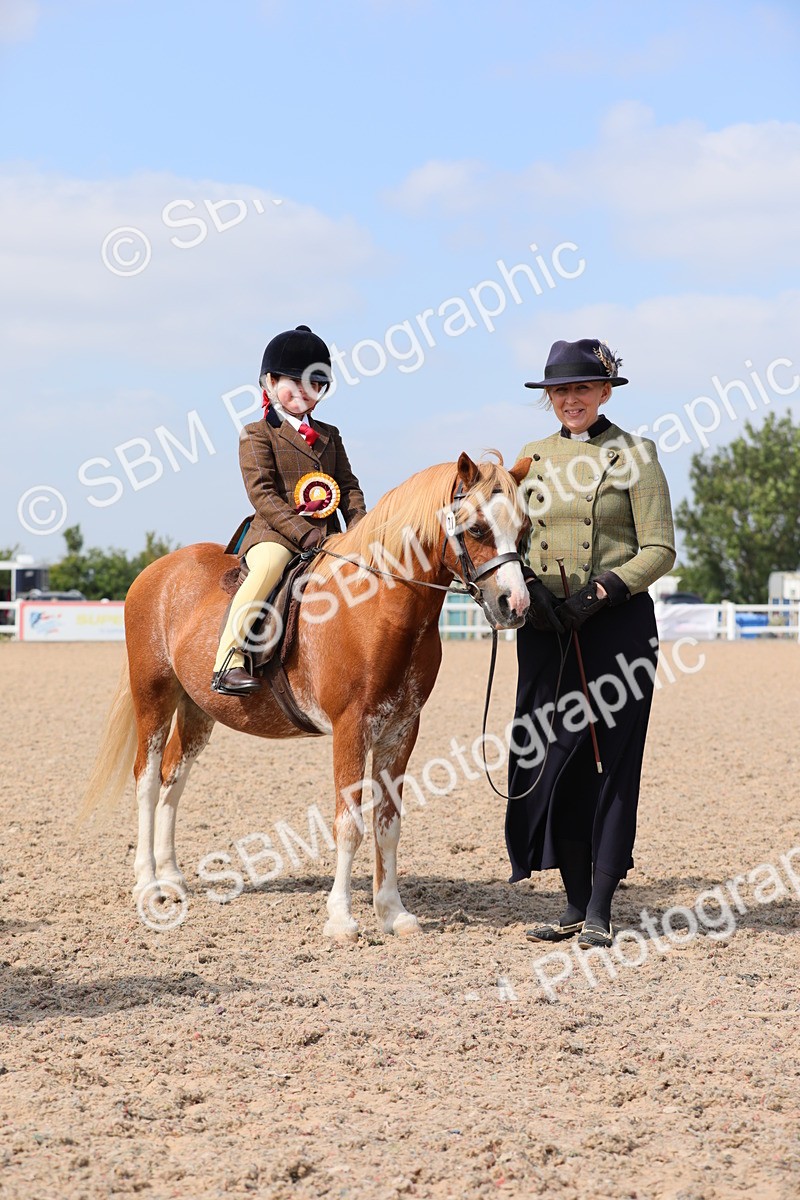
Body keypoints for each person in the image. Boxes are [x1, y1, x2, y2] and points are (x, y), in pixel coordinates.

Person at [506, 338, 675, 948]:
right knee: (554, 759)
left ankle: (601, 907)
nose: (570, 400)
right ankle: (572, 903)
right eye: (560, 391)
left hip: (616, 627)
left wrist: (602, 592)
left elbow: (659, 549)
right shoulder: (528, 459)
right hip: (547, 629)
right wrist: (530, 587)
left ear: (605, 392)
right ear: (548, 398)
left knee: (610, 764)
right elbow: (509, 539)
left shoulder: (634, 454)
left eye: (582, 389)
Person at [212, 324, 366, 696]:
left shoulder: (331, 434)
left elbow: (347, 486)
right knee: (267, 568)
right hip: (276, 535)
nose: (302, 392)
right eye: (293, 383)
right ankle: (229, 660)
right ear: (269, 382)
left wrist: (362, 528)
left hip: (330, 536)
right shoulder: (256, 433)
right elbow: (262, 493)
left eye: (313, 385)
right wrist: (304, 531)